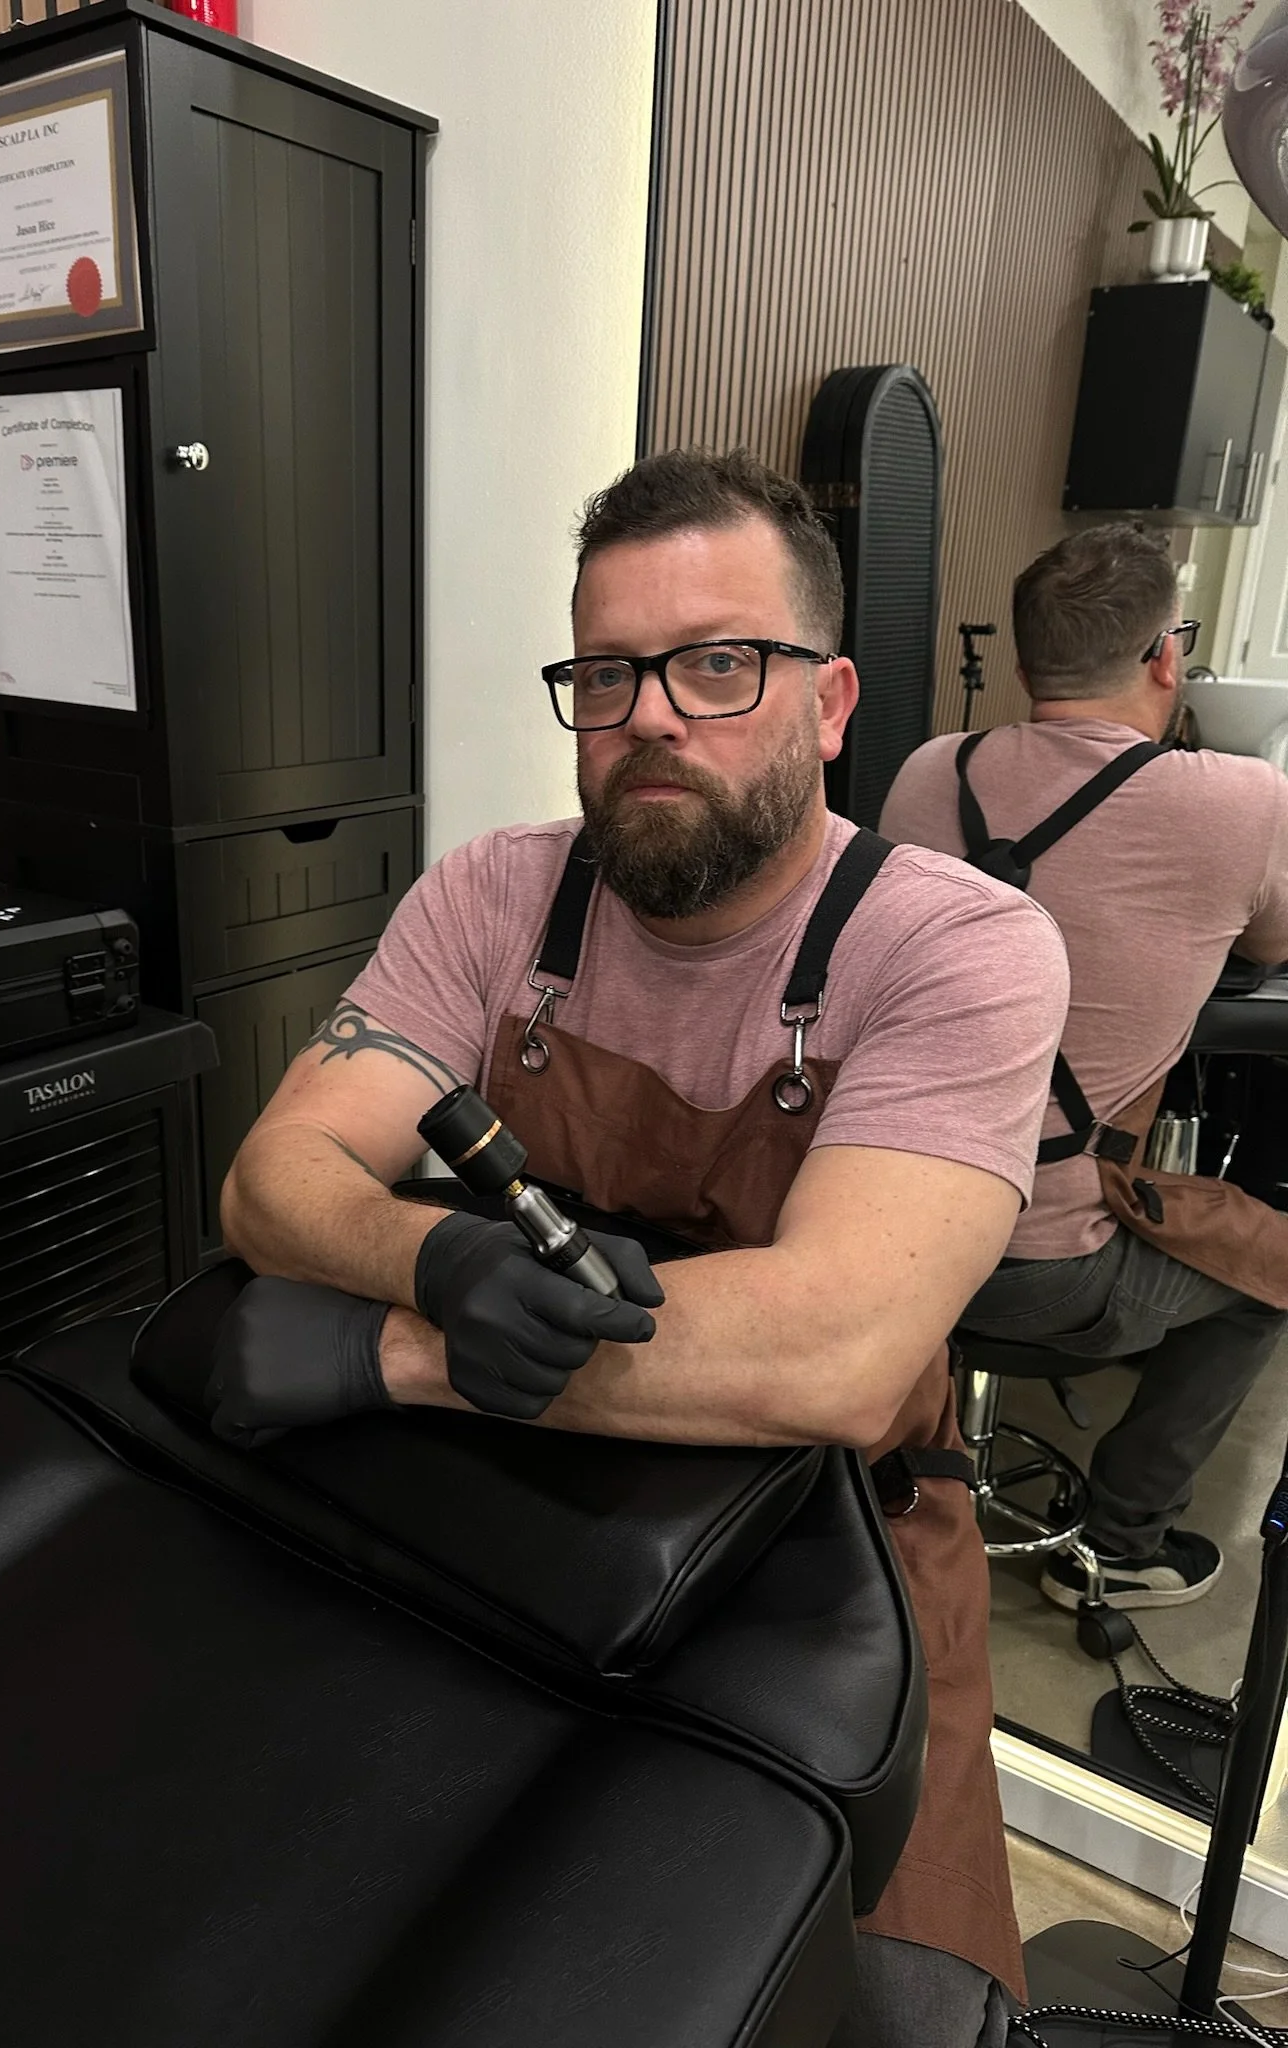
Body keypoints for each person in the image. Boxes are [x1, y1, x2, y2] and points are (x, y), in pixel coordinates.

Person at [216, 449, 1070, 2045]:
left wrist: (401, 1353)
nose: (653, 715)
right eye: (607, 673)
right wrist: (436, 1264)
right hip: (532, 1529)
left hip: (843, 1578)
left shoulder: (957, 946)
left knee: (875, 2000)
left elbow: (833, 1349)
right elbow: (275, 1178)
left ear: (829, 703)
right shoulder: (495, 899)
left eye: (719, 663)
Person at [881, 523, 1288, 1615]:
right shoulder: (1244, 802)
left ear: (1023, 667)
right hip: (1040, 1265)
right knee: (1272, 1273)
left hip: (876, 1225)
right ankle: (1119, 1544)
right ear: (1168, 656)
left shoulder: (930, 771)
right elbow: (1271, 948)